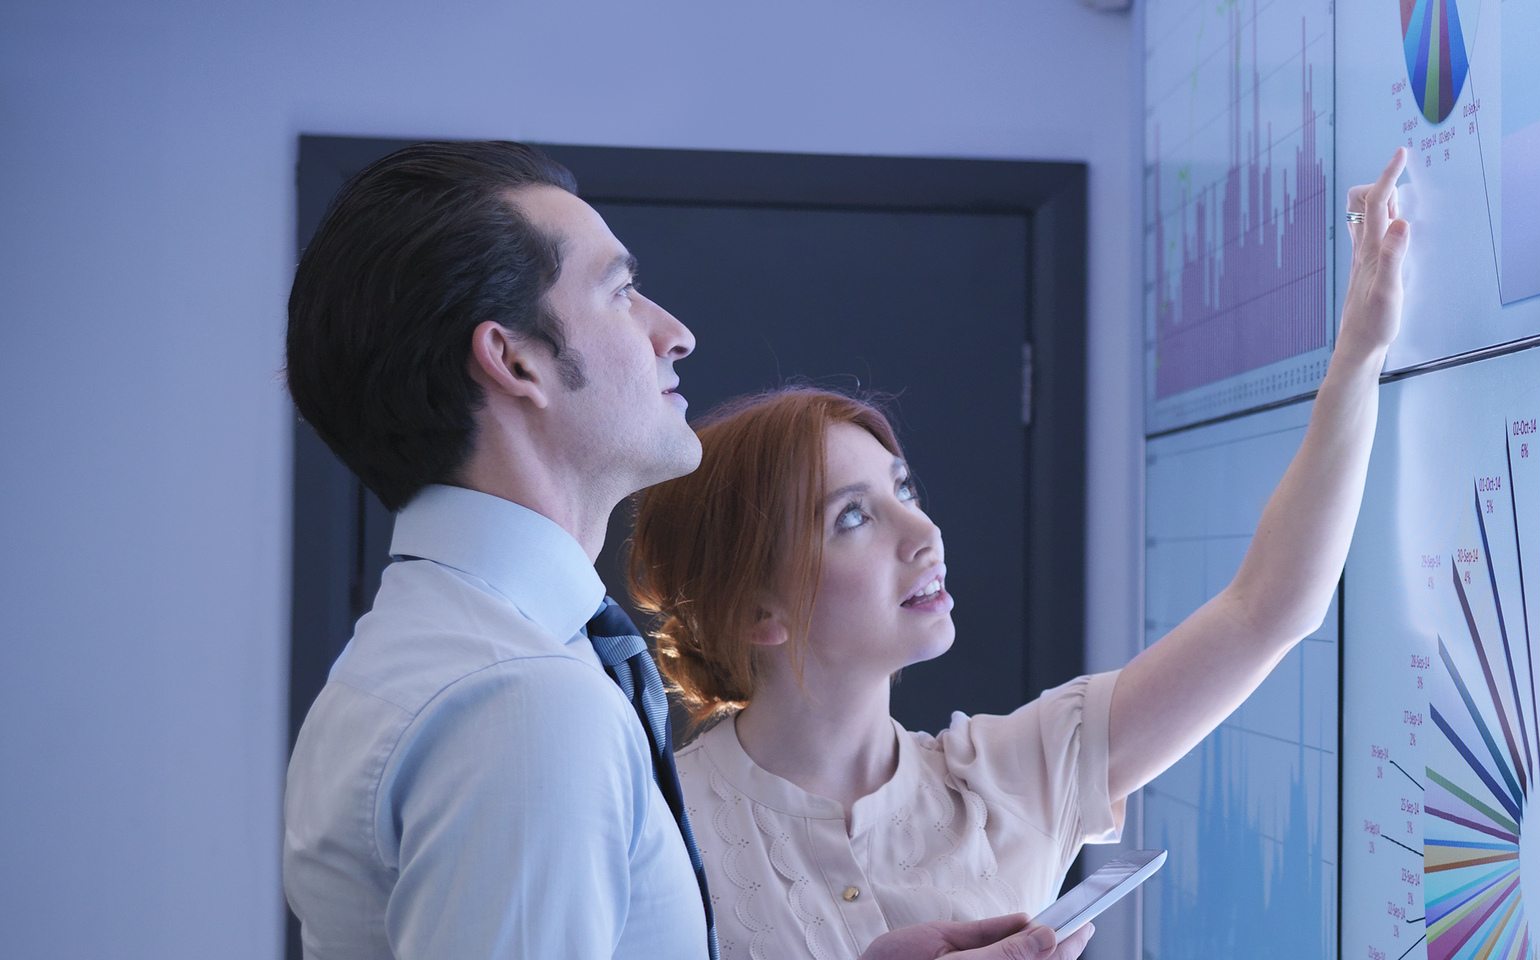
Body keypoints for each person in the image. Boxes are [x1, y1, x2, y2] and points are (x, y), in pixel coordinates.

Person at [280, 140, 1085, 960]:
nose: (675, 333)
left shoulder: (446, 650)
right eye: (621, 291)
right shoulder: (521, 705)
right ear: (514, 359)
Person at [616, 152, 1412, 960]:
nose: (923, 534)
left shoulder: (1013, 778)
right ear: (758, 613)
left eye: (905, 491)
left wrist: (1357, 356)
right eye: (852, 517)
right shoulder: (653, 824)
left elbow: (1268, 607)